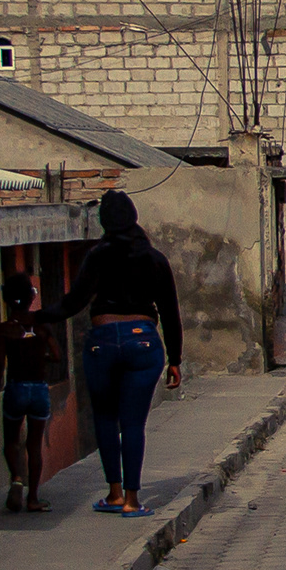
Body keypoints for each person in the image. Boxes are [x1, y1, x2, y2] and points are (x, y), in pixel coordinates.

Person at [35, 191, 182, 518]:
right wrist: (175, 360)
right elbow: (170, 312)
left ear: (104, 222)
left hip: (102, 341)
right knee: (133, 423)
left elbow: (73, 303)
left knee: (104, 417)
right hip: (143, 342)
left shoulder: (97, 256)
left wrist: (37, 317)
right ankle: (133, 501)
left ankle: (113, 493)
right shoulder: (155, 258)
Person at [0, 272, 60, 512]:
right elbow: (57, 356)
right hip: (38, 390)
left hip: (15, 388)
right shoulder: (42, 326)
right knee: (34, 446)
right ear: (30, 298)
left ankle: (16, 479)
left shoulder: (4, 329)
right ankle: (34, 498)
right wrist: (41, 356)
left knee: (11, 441)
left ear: (6, 300)